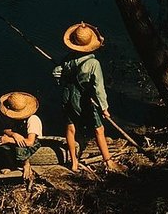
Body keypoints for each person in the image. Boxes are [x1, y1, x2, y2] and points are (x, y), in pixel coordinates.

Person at [52, 22, 127, 173]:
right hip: (85, 98)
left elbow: (56, 74)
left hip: (67, 96)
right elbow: (98, 89)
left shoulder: (67, 59)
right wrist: (104, 108)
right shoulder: (93, 63)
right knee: (99, 129)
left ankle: (73, 163)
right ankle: (108, 161)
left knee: (70, 128)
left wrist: (61, 78)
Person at [0, 91, 43, 179]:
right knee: (3, 144)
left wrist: (9, 140)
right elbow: (6, 130)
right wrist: (14, 134)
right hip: (20, 139)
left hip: (32, 143)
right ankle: (10, 165)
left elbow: (30, 142)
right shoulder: (15, 119)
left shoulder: (33, 120)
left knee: (20, 147)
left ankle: (26, 164)